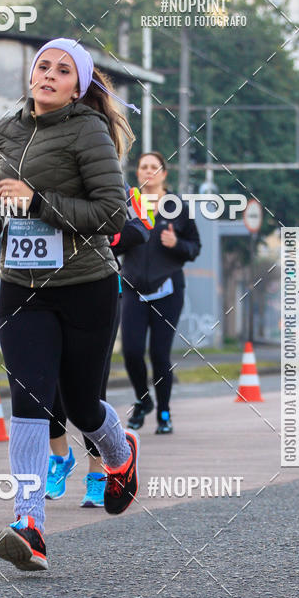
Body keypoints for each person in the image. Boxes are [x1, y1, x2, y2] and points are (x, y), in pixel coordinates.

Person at [0, 37, 140, 572]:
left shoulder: (87, 129)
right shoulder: (7, 129)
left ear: (79, 86)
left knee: (82, 404)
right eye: (42, 65)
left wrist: (39, 204)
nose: (47, 75)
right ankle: (30, 523)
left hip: (86, 285)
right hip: (23, 287)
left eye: (62, 71)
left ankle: (119, 456)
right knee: (30, 399)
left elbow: (113, 213)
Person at [46, 185, 152, 508]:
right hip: (45, 289)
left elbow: (143, 226)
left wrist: (104, 235)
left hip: (98, 289)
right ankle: (60, 457)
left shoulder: (116, 185)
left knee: (90, 389)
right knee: (47, 385)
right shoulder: (40, 176)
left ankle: (98, 472)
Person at [121, 151, 201, 434]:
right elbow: (113, 241)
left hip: (167, 290)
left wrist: (176, 243)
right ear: (138, 172)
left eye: (154, 167)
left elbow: (194, 247)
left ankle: (164, 413)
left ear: (164, 173)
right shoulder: (129, 204)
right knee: (131, 351)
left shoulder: (175, 206)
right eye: (144, 167)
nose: (148, 171)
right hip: (132, 289)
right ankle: (143, 400)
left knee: (159, 354)